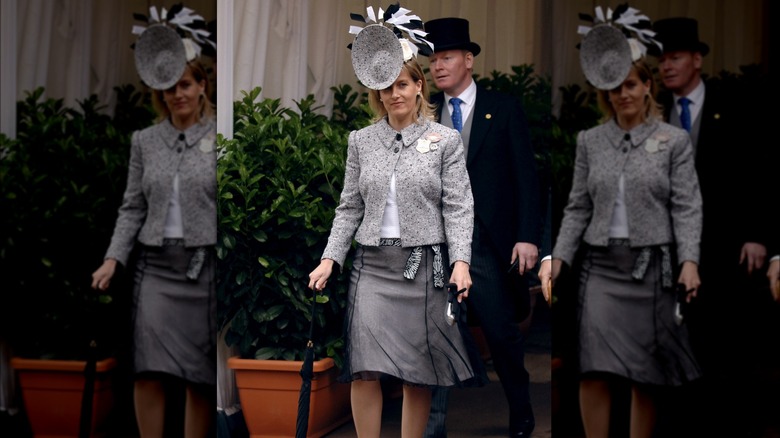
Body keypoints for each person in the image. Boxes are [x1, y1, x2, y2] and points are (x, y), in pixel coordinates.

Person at [308, 13, 484, 438]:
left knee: (415, 372)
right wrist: (330, 258)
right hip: (372, 268)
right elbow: (348, 207)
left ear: (419, 85)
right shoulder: (360, 141)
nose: (393, 94)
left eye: (402, 84)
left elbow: (459, 206)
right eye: (385, 87)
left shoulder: (445, 141)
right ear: (377, 92)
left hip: (422, 269)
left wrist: (461, 261)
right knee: (364, 370)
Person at [551, 13, 703, 437]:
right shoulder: (590, 141)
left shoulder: (674, 141)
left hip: (651, 269)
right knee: (593, 369)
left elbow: (687, 207)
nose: (622, 95)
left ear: (647, 85)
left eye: (630, 85)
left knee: (644, 373)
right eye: (614, 88)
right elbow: (577, 207)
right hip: (600, 269)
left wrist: (689, 260)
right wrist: (559, 258)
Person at [91, 15, 216, 437]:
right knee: (148, 369)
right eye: (169, 88)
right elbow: (131, 208)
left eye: (185, 84)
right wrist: (113, 259)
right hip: (155, 270)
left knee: (198, 374)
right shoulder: (143, 141)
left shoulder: (223, 136)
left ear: (202, 86)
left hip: (201, 269)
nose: (177, 94)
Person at [652, 16, 774, 436]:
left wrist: (758, 234)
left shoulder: (735, 103)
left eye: (676, 57)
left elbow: (760, 171)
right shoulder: (655, 113)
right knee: (672, 343)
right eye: (662, 59)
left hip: (724, 245)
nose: (667, 66)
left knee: (724, 343)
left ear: (697, 59)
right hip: (667, 249)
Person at [422, 17, 542, 438]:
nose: (438, 66)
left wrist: (529, 237)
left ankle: (521, 413)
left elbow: (526, 177)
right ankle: (432, 427)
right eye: (432, 59)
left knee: (502, 334)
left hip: (487, 243)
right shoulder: (426, 114)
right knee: (433, 333)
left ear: (468, 59)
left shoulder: (503, 108)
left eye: (447, 57)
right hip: (436, 242)